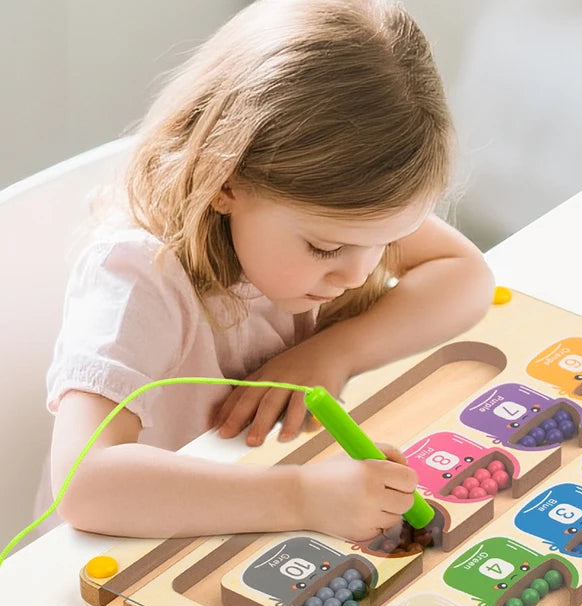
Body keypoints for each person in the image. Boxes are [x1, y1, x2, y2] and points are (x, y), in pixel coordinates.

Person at [40, 0, 494, 544]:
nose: (357, 274)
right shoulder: (140, 277)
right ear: (225, 181)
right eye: (327, 248)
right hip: (120, 554)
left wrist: (333, 351)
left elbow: (466, 275)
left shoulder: (341, 222)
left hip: (248, 526)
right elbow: (84, 486)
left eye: (387, 243)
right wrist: (300, 495)